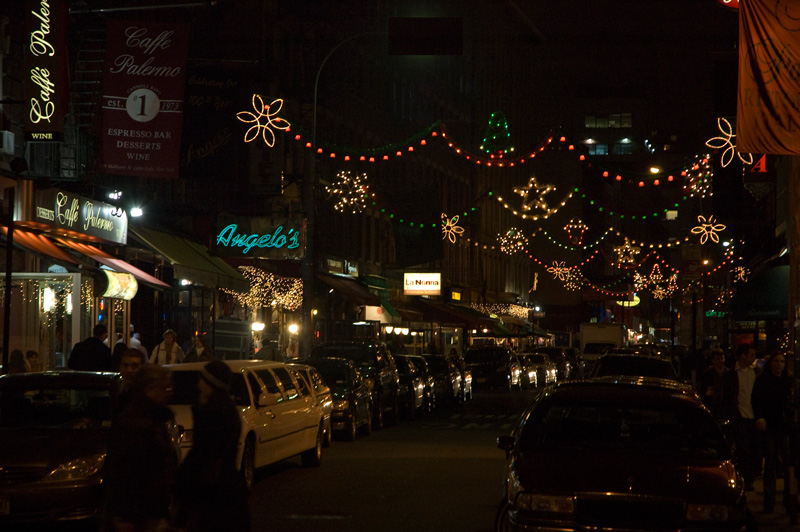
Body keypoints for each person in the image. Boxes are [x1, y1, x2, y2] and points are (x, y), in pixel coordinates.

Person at [175, 360, 250, 532]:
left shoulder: (212, 413)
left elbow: (203, 453)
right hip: (224, 490)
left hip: (213, 492)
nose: (198, 384)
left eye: (202, 379)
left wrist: (181, 480)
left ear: (211, 383)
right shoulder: (225, 409)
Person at [104, 365, 178, 532]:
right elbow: (124, 472)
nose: (170, 392)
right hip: (140, 515)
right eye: (166, 388)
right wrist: (126, 515)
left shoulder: (153, 418)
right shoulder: (136, 422)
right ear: (150, 389)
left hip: (149, 511)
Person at [752, 351, 794, 513]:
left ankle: (788, 500)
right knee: (770, 463)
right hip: (770, 425)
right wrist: (760, 417)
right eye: (776, 361)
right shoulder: (763, 381)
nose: (779, 365)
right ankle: (769, 502)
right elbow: (756, 401)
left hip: (784, 427)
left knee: (787, 464)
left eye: (781, 362)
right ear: (770, 364)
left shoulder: (787, 381)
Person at [725, 343, 759, 490]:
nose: (754, 358)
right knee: (743, 449)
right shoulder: (732, 374)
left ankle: (751, 474)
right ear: (743, 356)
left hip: (755, 416)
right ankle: (747, 478)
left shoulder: (756, 373)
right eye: (751, 355)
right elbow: (727, 397)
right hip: (740, 416)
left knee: (755, 449)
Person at [697, 348, 733, 421]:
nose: (720, 361)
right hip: (712, 406)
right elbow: (702, 392)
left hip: (725, 407)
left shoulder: (729, 374)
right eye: (717, 359)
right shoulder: (707, 375)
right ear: (713, 360)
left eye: (722, 358)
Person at [114, 349, 148, 415]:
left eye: (135, 366)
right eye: (125, 366)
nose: (129, 370)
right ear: (120, 368)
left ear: (143, 368)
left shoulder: (148, 396)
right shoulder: (116, 390)